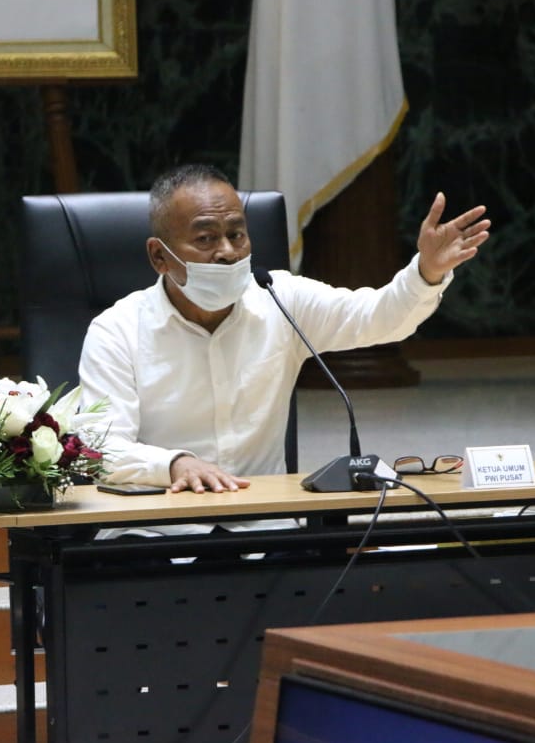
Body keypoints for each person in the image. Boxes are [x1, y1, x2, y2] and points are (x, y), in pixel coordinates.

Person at [79, 163, 490, 500]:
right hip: (156, 531)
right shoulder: (117, 331)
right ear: (159, 257)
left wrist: (427, 271)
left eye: (236, 234)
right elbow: (98, 450)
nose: (226, 251)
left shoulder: (279, 299)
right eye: (205, 238)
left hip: (263, 527)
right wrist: (173, 465)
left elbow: (380, 317)